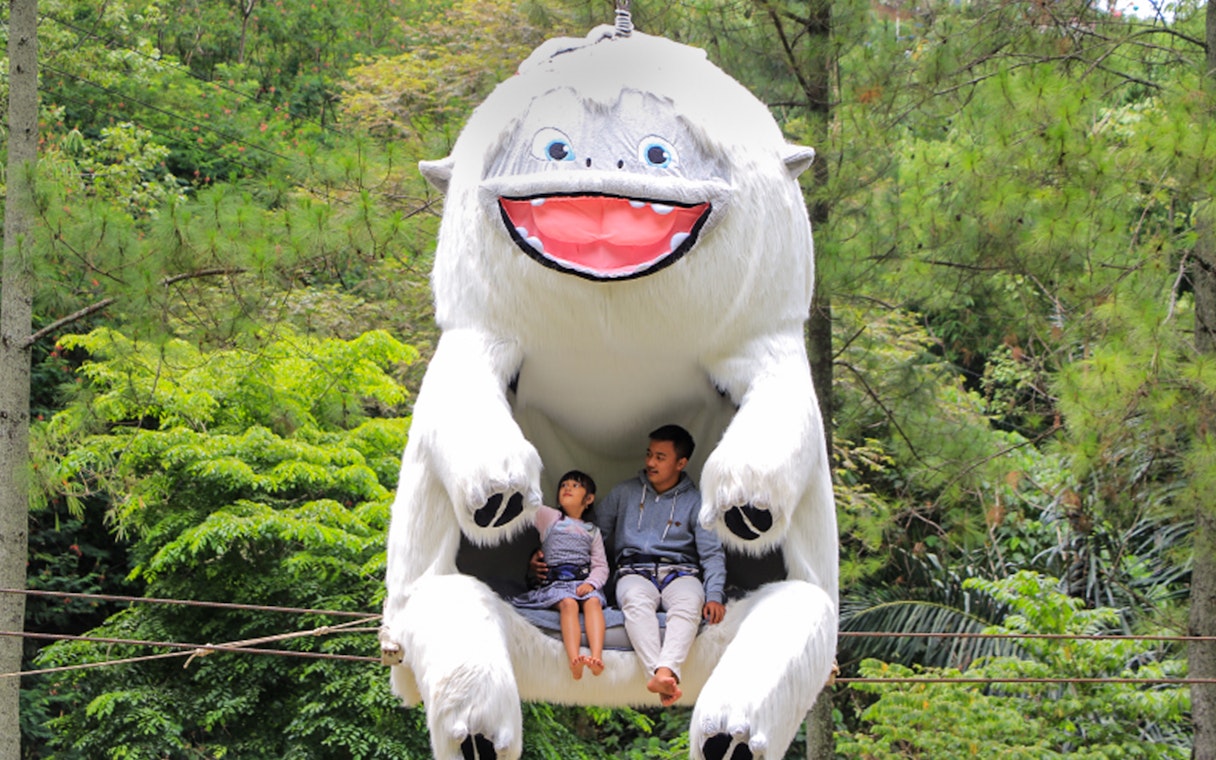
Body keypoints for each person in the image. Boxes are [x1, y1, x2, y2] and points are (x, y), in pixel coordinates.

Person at [596, 424, 727, 706]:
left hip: (681, 573)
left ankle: (662, 674)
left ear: (681, 463)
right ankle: (663, 676)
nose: (650, 462)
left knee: (690, 603)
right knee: (634, 601)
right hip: (634, 571)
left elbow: (712, 554)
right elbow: (593, 536)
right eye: (649, 454)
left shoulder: (697, 502)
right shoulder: (624, 493)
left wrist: (714, 594)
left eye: (660, 457)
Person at [512, 470, 609, 679]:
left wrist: (591, 584)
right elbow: (528, 502)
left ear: (589, 499)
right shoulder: (550, 518)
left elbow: (601, 566)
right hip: (556, 584)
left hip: (583, 582)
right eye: (563, 485)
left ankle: (596, 657)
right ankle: (574, 659)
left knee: (592, 603)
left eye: (575, 486)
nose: (567, 488)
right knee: (569, 604)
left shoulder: (593, 531)